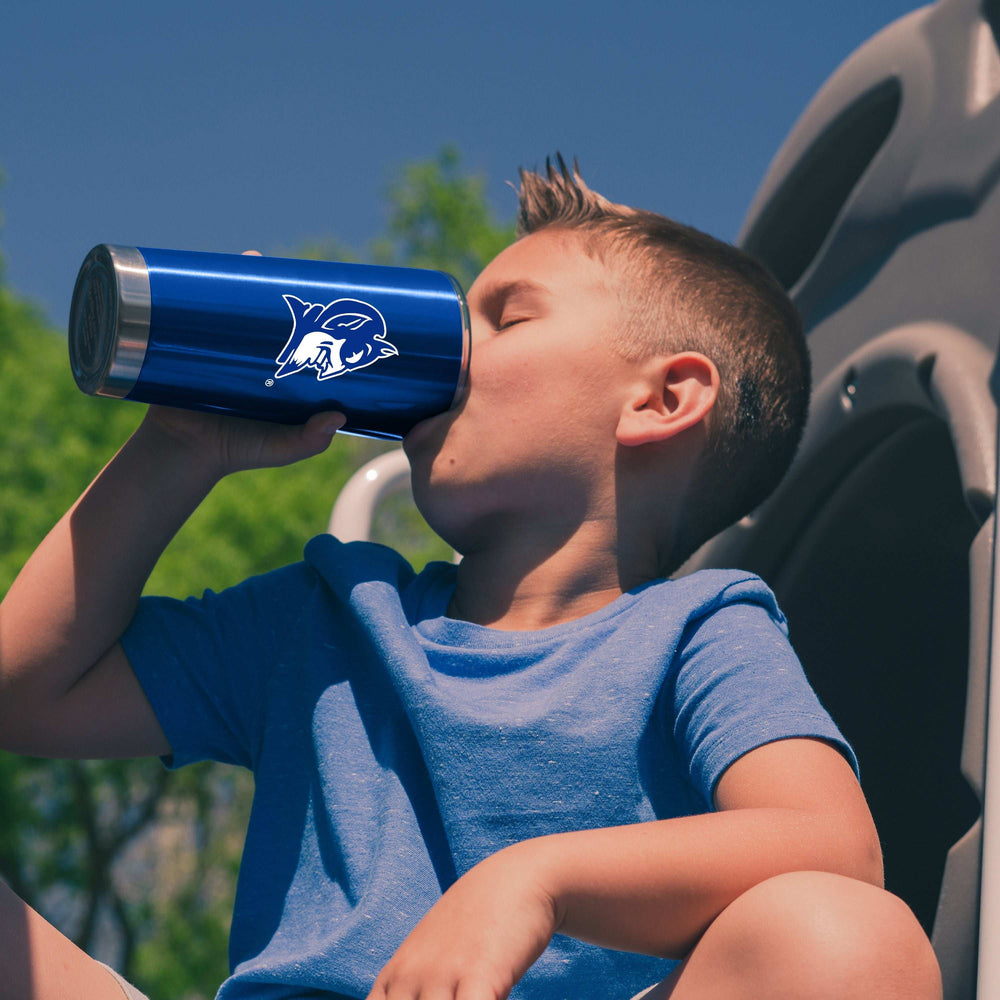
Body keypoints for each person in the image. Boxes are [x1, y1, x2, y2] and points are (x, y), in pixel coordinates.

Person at [0, 158, 942, 1000]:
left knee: (845, 937)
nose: (452, 351)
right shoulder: (327, 620)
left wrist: (536, 881)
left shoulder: (701, 631)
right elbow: (27, 696)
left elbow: (835, 848)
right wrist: (174, 449)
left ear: (661, 401)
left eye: (506, 315)